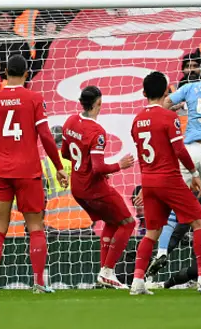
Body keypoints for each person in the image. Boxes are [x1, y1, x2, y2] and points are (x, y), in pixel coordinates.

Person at [0, 54, 68, 294]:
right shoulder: (34, 99)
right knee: (36, 227)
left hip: (2, 170)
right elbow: (47, 137)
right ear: (27, 74)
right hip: (28, 172)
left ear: (4, 73)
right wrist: (59, 167)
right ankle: (39, 283)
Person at [129, 71, 201, 295]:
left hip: (149, 180)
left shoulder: (137, 121)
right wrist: (194, 172)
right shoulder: (169, 118)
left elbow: (145, 155)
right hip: (169, 179)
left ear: (144, 93)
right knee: (200, 223)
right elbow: (179, 150)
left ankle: (137, 282)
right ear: (167, 91)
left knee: (151, 232)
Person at [147, 54, 201, 276]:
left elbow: (163, 104)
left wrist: (176, 110)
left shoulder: (191, 87)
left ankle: (162, 250)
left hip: (190, 149)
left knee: (177, 204)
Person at [61, 86, 136, 289]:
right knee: (128, 223)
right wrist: (119, 165)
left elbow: (65, 154)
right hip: (93, 188)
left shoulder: (69, 122)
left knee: (113, 221)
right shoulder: (97, 132)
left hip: (77, 188)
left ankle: (104, 276)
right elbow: (99, 168)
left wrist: (91, 166)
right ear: (98, 104)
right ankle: (108, 271)